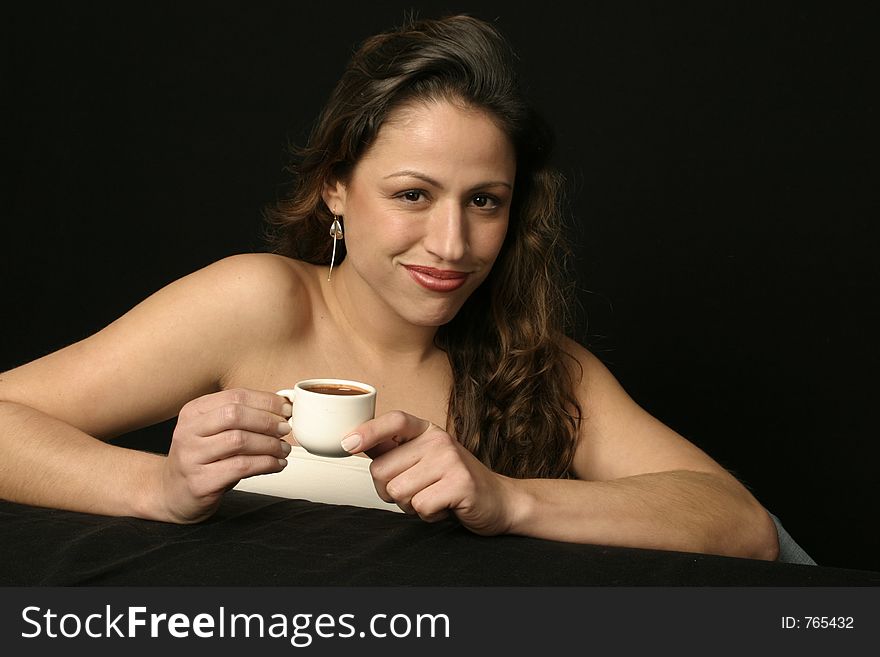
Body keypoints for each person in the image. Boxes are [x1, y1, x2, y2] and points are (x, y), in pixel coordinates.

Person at [0, 14, 783, 560]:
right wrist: (156, 487)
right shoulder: (259, 303)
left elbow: (741, 523)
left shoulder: (537, 363)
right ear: (336, 187)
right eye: (413, 194)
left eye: (485, 201)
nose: (451, 244)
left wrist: (510, 499)